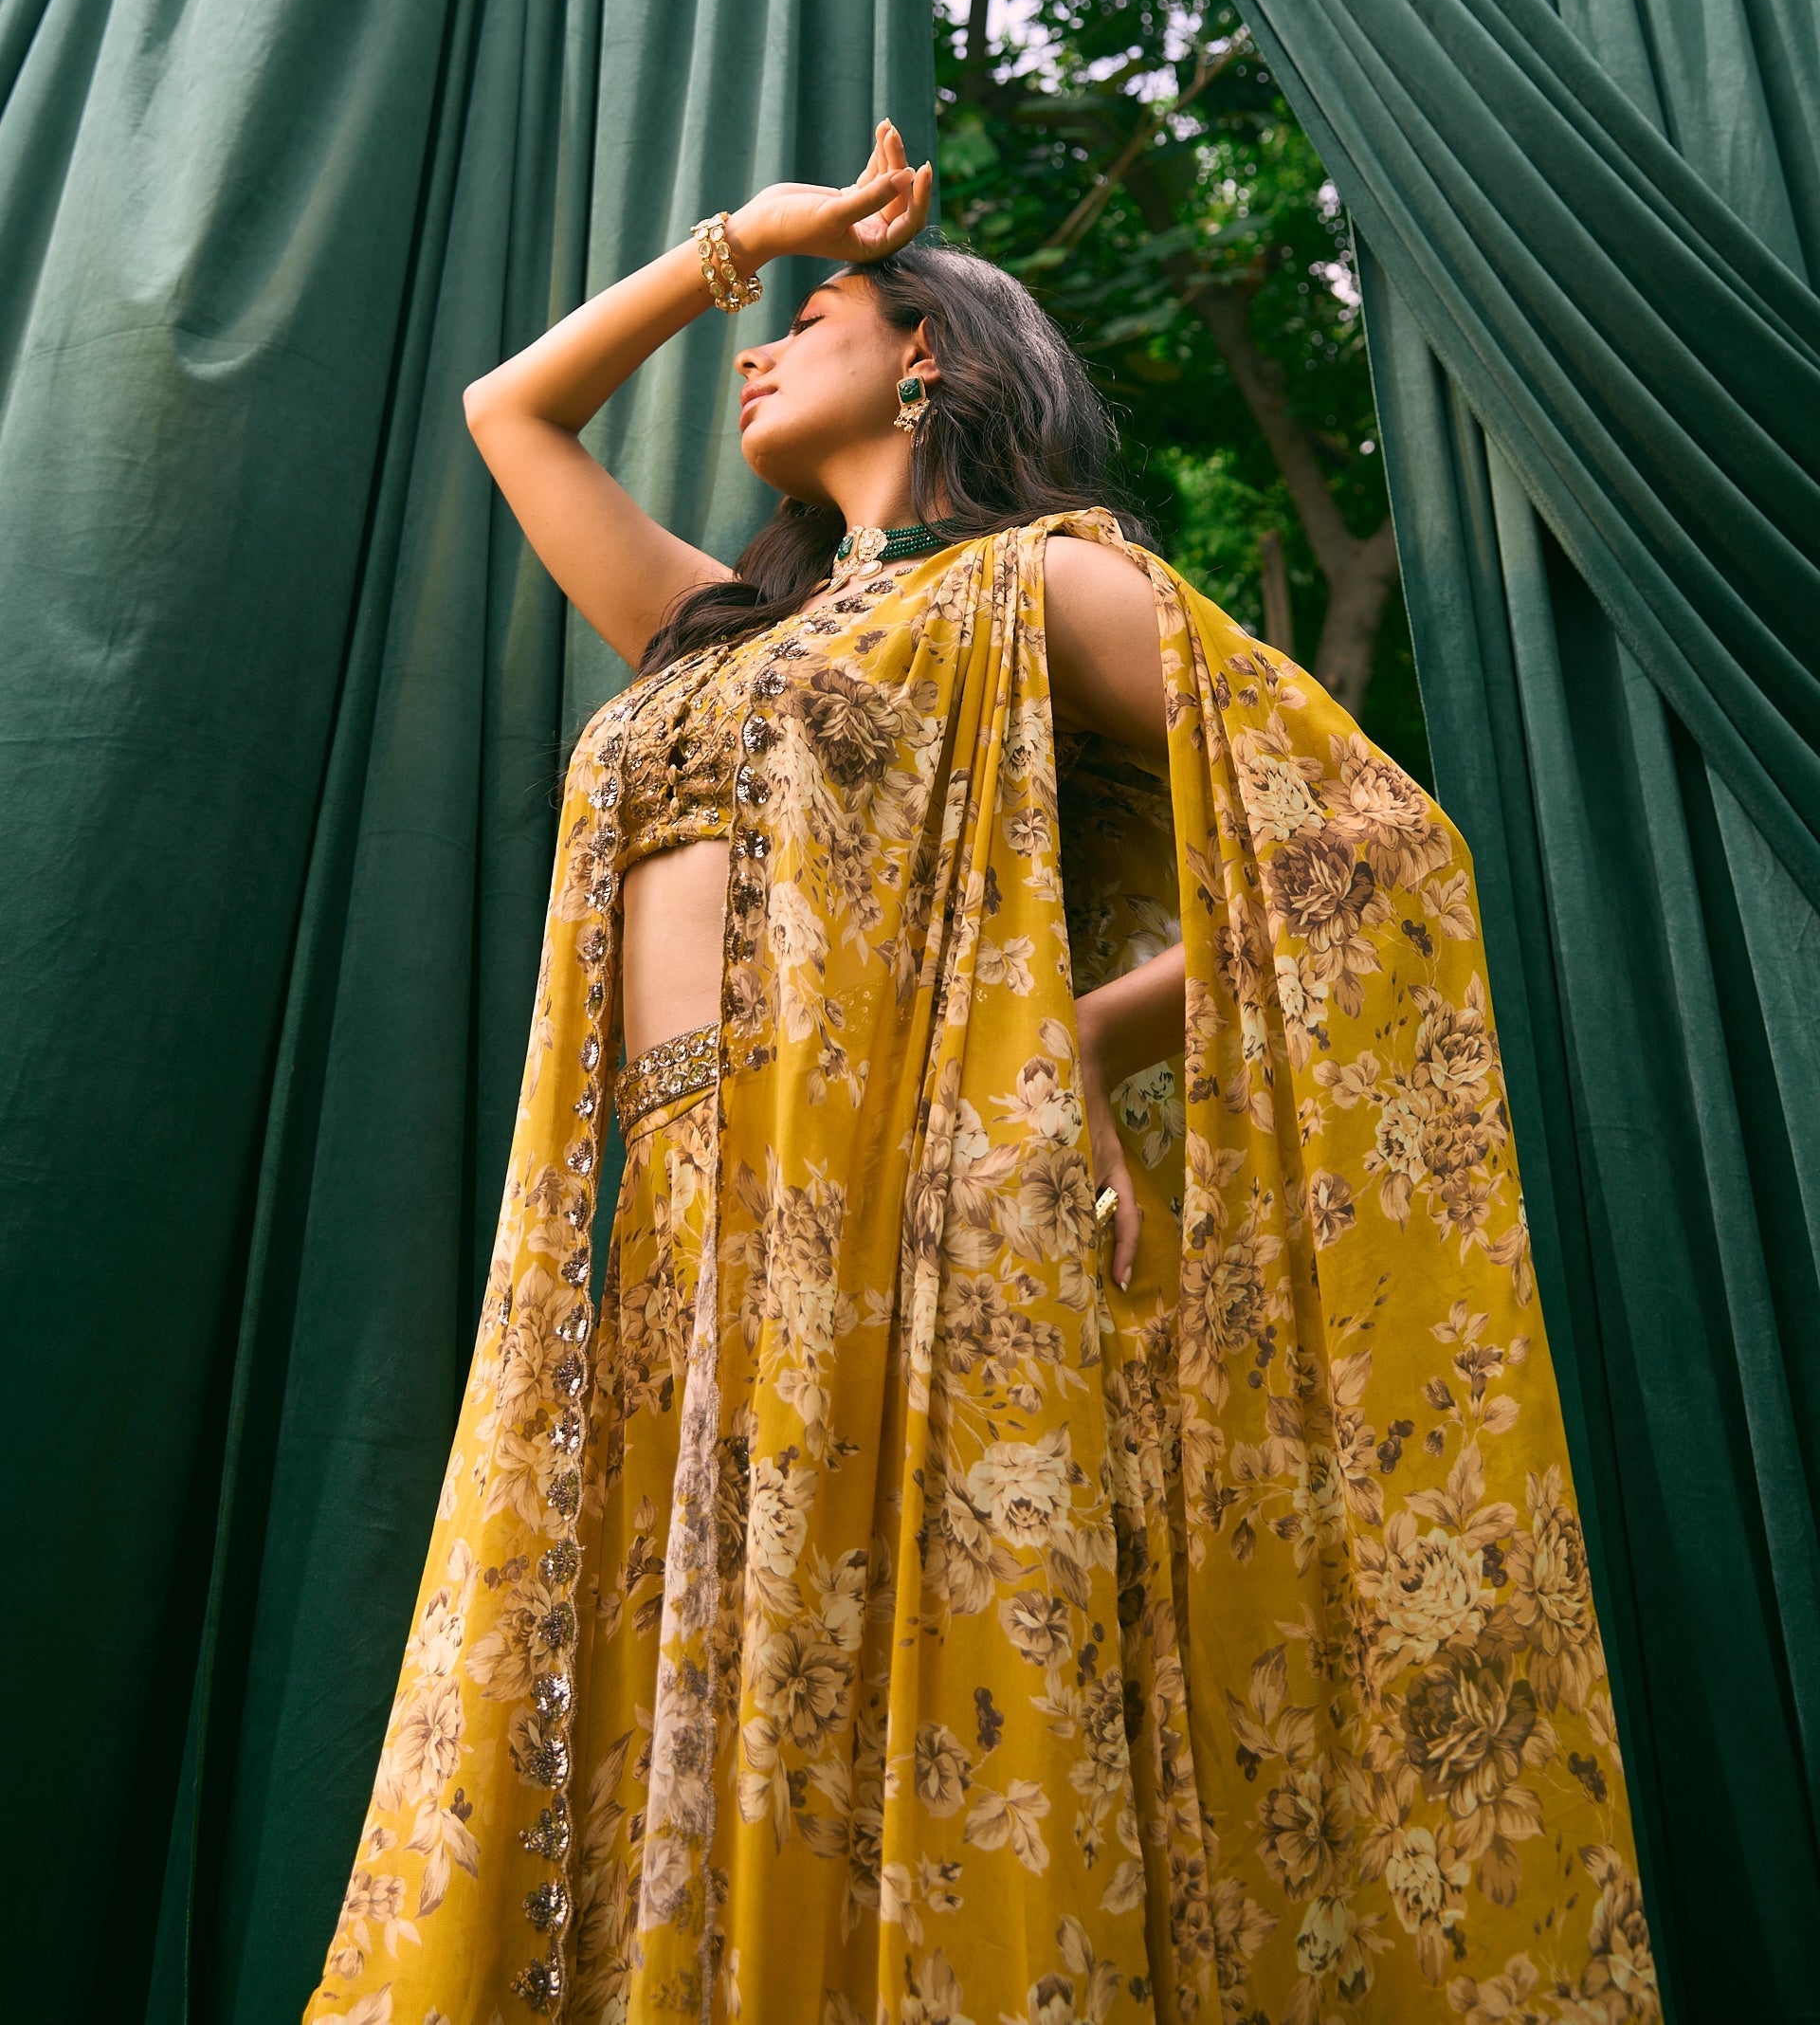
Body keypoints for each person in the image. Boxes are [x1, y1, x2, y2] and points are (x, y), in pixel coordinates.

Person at [305, 128, 1655, 2025]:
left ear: (928, 355)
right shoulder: (718, 635)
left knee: (895, 1705)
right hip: (677, 1248)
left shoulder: (1035, 595)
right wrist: (751, 245)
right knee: (661, 1715)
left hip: (910, 1230)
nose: (756, 356)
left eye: (812, 322)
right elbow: (510, 413)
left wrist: (1078, 1041)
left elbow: (1371, 855)